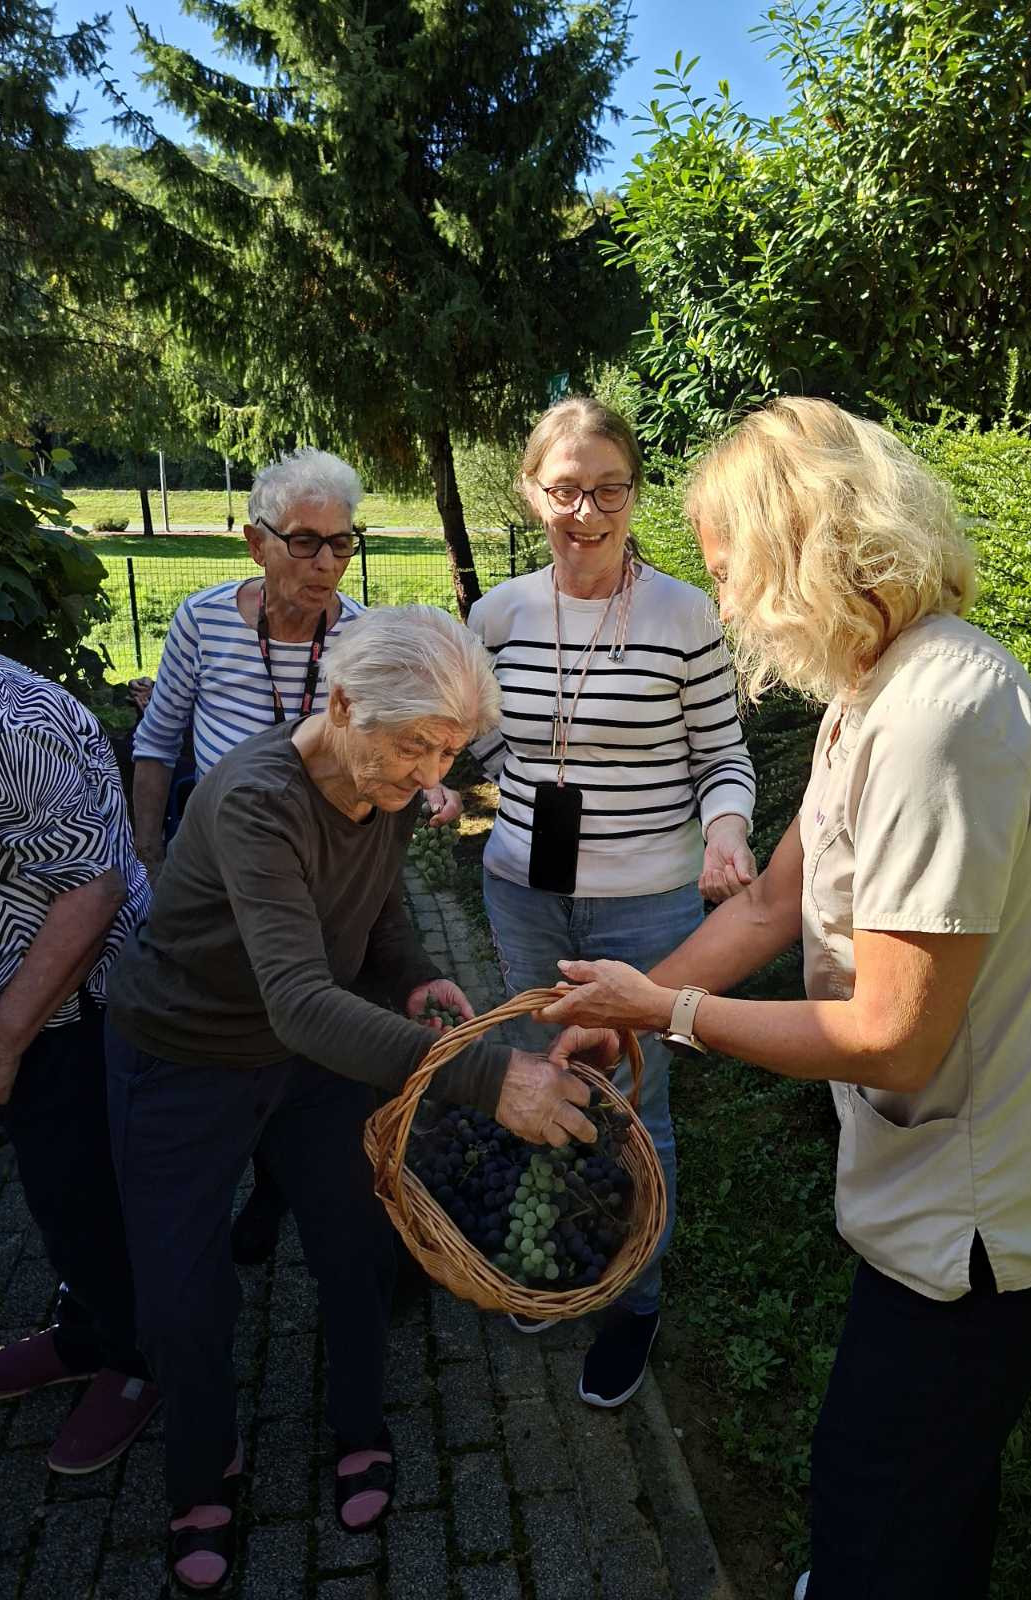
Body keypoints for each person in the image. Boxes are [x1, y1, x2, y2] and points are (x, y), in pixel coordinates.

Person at [539, 398, 1031, 1599]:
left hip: (983, 1229)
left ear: (797, 550)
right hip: (939, 1205)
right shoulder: (874, 694)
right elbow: (770, 904)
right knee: (927, 1496)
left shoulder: (940, 720)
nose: (727, 610)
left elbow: (894, 1040)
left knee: (875, 1504)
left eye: (729, 574)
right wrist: (629, 1000)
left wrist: (669, 1015)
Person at [104, 604, 608, 1593]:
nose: (430, 776)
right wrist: (490, 1074)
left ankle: (359, 1426)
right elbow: (297, 999)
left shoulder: (384, 786)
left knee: (361, 1241)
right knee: (181, 1290)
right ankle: (201, 1469)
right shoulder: (258, 800)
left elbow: (376, 905)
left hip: (311, 1056)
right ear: (340, 704)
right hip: (184, 1057)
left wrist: (411, 972)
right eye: (415, 746)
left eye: (449, 752)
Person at [467, 397, 757, 1408]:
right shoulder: (498, 616)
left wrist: (726, 832)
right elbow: (480, 740)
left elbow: (723, 758)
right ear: (531, 493)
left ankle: (635, 1295)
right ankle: (554, 1257)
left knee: (635, 1100)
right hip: (525, 895)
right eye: (565, 491)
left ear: (635, 493)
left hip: (649, 909)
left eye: (609, 490)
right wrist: (479, 788)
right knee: (542, 1078)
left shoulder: (683, 616)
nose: (586, 514)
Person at [130, 447, 461, 1265]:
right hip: (220, 874)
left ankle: (285, 1188)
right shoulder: (203, 619)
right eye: (305, 542)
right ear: (256, 542)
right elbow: (158, 741)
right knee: (244, 1042)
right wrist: (150, 861)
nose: (326, 563)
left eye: (342, 543)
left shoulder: (363, 638)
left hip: (324, 877)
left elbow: (389, 747)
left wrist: (424, 783)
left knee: (312, 1052)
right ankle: (260, 1180)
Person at [0, 574, 160, 1474]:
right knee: (57, 1193)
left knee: (87, 1193)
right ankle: (86, 1330)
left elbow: (92, 891)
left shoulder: (12, 727)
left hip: (74, 1009)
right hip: (11, 1005)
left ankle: (140, 1359)